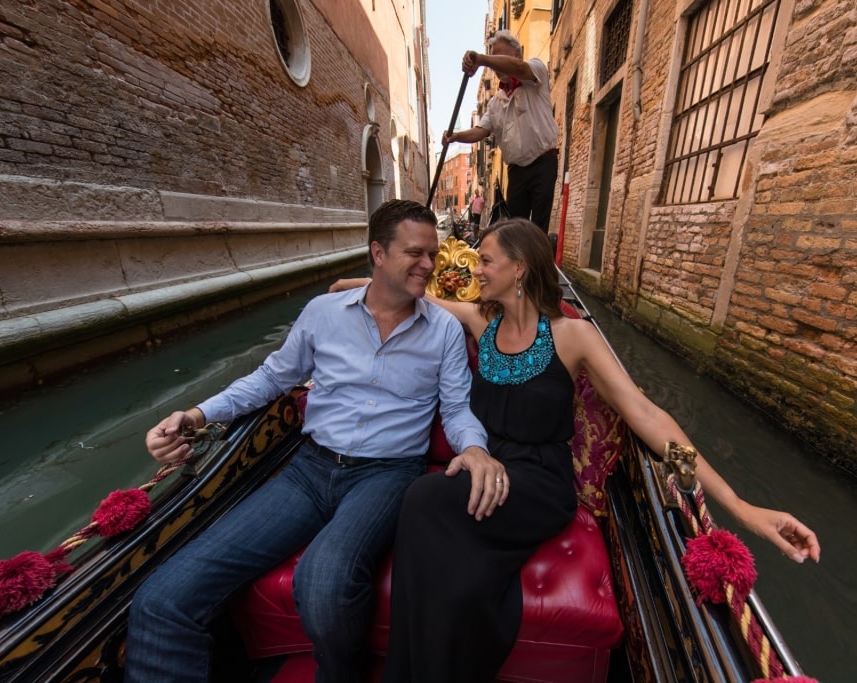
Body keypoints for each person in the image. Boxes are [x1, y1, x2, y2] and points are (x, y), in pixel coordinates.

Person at [339, 218, 822, 683]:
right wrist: (356, 285)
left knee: (423, 499)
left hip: (540, 485)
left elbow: (647, 415)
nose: (475, 270)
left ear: (520, 268)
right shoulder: (480, 319)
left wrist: (738, 506)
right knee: (431, 526)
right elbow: (416, 295)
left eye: (485, 260)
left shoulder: (573, 337)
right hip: (485, 468)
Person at [124, 200, 501, 683]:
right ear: (378, 253)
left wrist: (473, 447)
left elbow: (455, 408)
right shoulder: (323, 313)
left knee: (323, 581)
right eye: (416, 253)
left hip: (386, 476)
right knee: (162, 598)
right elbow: (270, 379)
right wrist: (197, 414)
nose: (430, 265)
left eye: (432, 254)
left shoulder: (444, 329)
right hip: (308, 471)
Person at [443, 30, 560, 235]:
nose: (496, 65)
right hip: (516, 172)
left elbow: (517, 69)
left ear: (517, 55)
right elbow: (480, 131)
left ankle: (538, 265)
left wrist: (481, 59)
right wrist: (455, 137)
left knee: (538, 229)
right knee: (515, 230)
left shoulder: (535, 71)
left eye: (500, 57)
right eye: (493, 58)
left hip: (543, 163)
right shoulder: (495, 102)